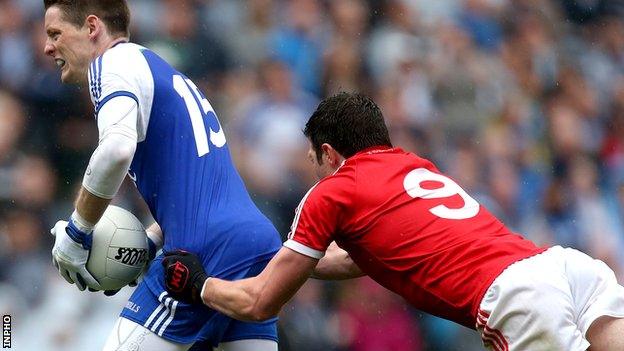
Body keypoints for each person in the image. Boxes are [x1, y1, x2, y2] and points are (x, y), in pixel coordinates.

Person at [163, 92, 624, 350]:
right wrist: (292, 262)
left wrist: (199, 284)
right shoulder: (412, 164)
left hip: (514, 298)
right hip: (564, 266)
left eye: (314, 159)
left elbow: (261, 303)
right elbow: (370, 257)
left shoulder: (332, 191)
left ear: (328, 153)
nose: (314, 170)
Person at [43, 1, 282, 350]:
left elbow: (116, 150)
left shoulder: (111, 64)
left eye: (55, 33)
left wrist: (77, 232)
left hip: (199, 254)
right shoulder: (161, 69)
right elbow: (201, 184)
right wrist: (151, 241)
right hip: (254, 242)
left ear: (92, 28)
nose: (48, 47)